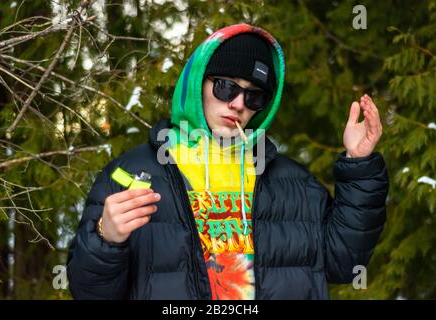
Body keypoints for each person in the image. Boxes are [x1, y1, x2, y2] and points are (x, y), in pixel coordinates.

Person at [66, 23, 389, 300]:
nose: (237, 104)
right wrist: (104, 236)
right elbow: (89, 291)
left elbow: (344, 262)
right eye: (225, 87)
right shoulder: (129, 174)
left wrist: (358, 164)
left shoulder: (294, 183)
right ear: (197, 84)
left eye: (253, 96)